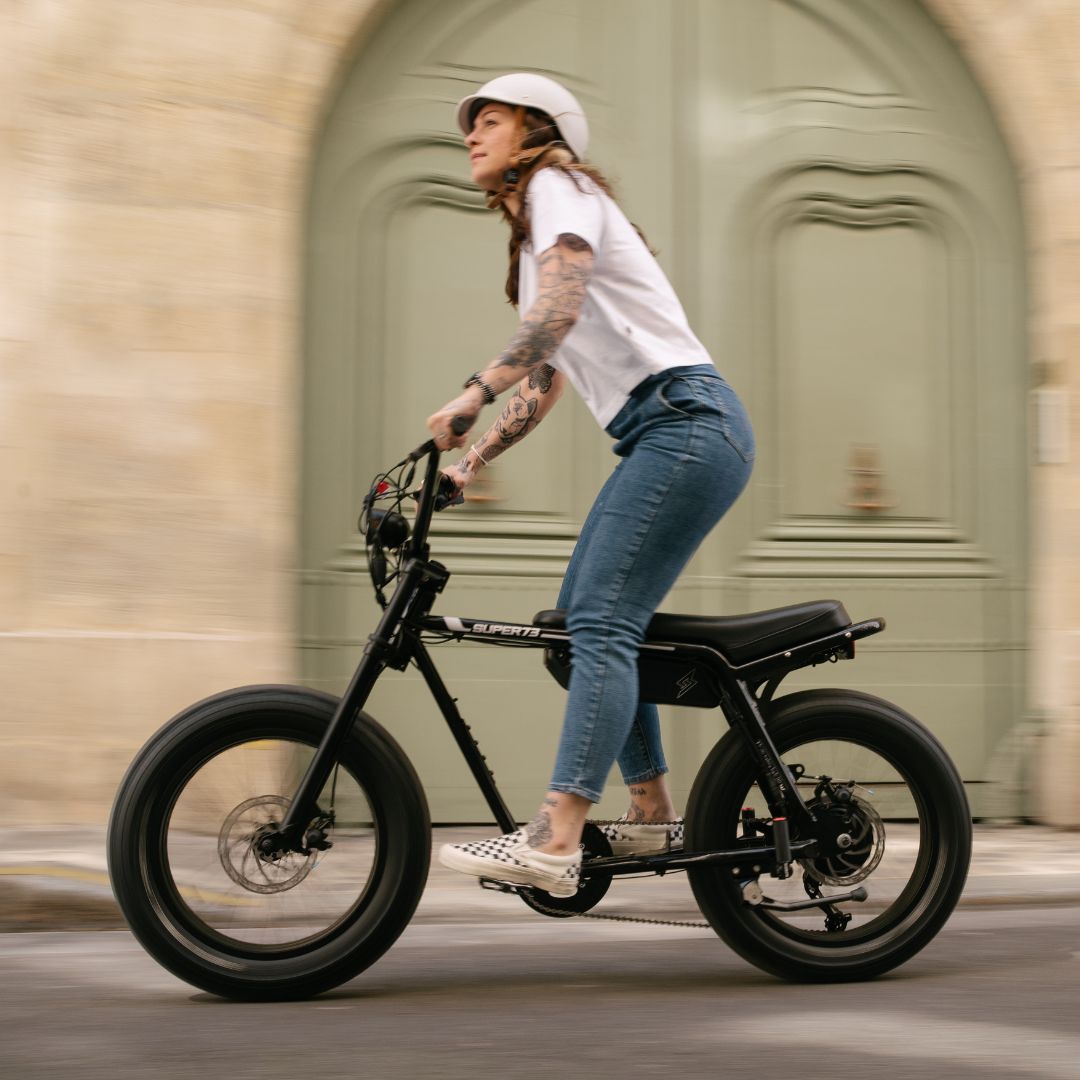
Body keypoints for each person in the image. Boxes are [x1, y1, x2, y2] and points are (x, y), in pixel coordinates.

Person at [426, 74, 755, 897]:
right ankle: (648, 813)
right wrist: (476, 459)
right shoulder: (542, 236)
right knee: (583, 629)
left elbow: (560, 314)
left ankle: (558, 834)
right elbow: (550, 375)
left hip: (687, 422)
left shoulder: (558, 187)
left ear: (535, 132)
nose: (472, 134)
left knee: (601, 619)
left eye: (490, 121)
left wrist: (474, 388)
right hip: (667, 430)